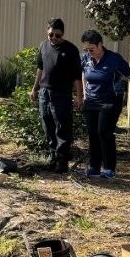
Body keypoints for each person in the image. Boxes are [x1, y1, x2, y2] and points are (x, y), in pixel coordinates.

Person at [80, 30, 130, 178]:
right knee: (93, 134)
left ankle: (109, 167)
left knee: (104, 132)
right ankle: (94, 166)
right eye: (86, 50)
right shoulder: (86, 59)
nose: (89, 53)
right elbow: (84, 74)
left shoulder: (113, 59)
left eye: (92, 49)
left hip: (110, 101)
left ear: (100, 45)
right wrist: (84, 94)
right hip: (92, 100)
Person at [30, 19, 83, 173]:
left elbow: (76, 76)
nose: (54, 38)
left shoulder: (71, 49)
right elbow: (40, 68)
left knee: (62, 126)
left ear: (63, 34)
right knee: (47, 125)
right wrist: (35, 88)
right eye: (50, 34)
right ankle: (53, 157)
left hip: (62, 93)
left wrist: (79, 96)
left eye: (57, 35)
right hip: (44, 92)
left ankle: (62, 160)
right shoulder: (43, 46)